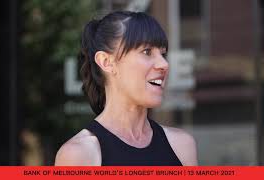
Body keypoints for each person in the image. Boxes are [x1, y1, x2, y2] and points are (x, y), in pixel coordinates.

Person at [55, 11, 198, 166]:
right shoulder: (80, 154)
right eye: (147, 52)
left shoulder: (182, 146)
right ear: (106, 62)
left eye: (163, 54)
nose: (164, 64)